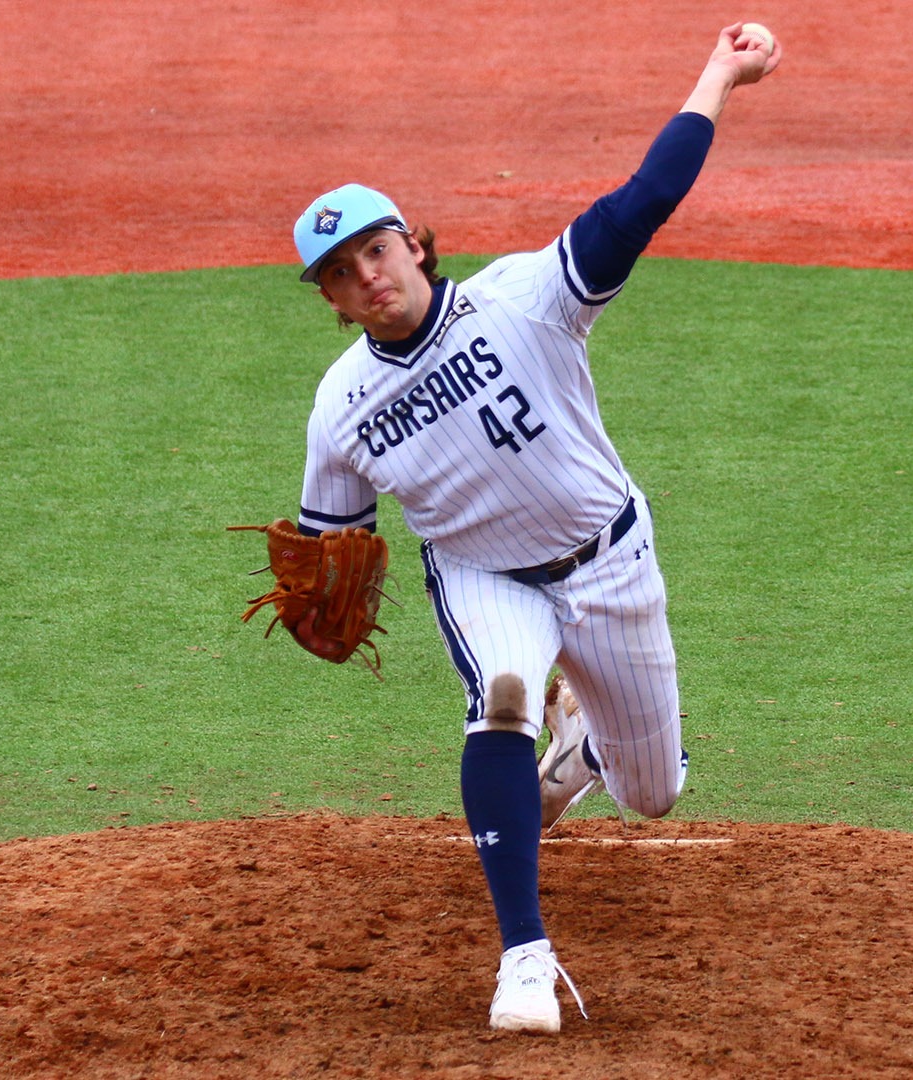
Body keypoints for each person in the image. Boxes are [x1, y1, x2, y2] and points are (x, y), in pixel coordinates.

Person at [285, 22, 782, 1034]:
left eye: (376, 250)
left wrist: (721, 74)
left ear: (413, 244)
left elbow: (644, 200)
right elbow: (325, 540)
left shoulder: (530, 297)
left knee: (654, 794)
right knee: (501, 695)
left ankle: (582, 757)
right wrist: (317, 613)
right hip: (481, 576)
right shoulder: (338, 408)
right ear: (332, 301)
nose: (368, 276)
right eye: (342, 273)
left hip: (612, 561)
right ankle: (524, 959)